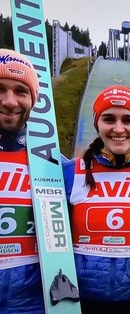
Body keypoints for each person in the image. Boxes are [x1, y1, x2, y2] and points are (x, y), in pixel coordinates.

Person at [63, 85, 130, 314]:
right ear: (97, 124)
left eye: (128, 119)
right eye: (109, 119)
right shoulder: (70, 172)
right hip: (82, 300)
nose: (119, 129)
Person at [0, 49, 45, 313]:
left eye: (21, 91)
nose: (9, 101)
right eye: (1, 89)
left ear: (33, 99)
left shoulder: (53, 165)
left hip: (31, 302)